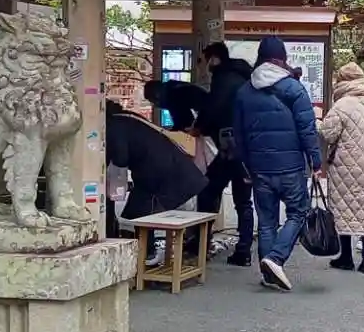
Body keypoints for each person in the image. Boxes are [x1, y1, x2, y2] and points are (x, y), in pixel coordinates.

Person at [232, 36, 321, 291]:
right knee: (298, 212)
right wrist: (316, 161)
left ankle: (268, 272)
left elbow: (239, 135)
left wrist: (246, 166)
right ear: (283, 58)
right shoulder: (294, 88)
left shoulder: (244, 92)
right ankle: (276, 259)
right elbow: (307, 129)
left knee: (267, 221)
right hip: (290, 166)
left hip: (259, 168)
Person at [316, 61, 364, 274]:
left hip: (345, 166)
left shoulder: (341, 105)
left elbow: (328, 134)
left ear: (342, 81)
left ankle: (346, 257)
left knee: (344, 209)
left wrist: (317, 120)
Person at [104, 102, 206, 244]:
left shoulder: (115, 126)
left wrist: (106, 168)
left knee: (140, 216)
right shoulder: (129, 118)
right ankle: (143, 249)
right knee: (135, 213)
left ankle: (144, 251)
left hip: (165, 178)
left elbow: (120, 158)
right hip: (172, 173)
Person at [193, 43, 256, 266]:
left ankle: (200, 243)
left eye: (205, 60)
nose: (204, 66)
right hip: (246, 147)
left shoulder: (223, 78)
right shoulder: (244, 77)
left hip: (230, 148)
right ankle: (244, 250)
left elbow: (214, 108)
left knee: (207, 190)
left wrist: (199, 127)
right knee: (243, 201)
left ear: (214, 59)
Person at [143, 76, 209, 134]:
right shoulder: (171, 88)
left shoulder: (172, 97)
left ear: (157, 95)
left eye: (154, 102)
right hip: (209, 107)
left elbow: (183, 123)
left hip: (210, 113)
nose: (155, 105)